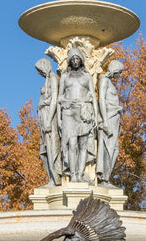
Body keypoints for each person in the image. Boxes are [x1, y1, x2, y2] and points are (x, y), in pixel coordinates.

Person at [57, 47, 96, 183]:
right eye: (72, 59)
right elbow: (59, 98)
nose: (75, 61)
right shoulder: (65, 76)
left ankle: (80, 174)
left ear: (81, 60)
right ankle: (73, 175)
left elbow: (93, 96)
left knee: (83, 145)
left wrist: (96, 115)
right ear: (69, 61)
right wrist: (59, 119)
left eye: (77, 59)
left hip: (84, 113)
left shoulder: (87, 76)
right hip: (69, 113)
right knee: (72, 144)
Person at [96, 59, 123, 185]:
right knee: (108, 147)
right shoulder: (104, 79)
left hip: (114, 118)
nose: (120, 74)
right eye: (120, 71)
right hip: (108, 118)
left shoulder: (109, 82)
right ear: (115, 69)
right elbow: (101, 99)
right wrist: (105, 121)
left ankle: (106, 177)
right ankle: (103, 179)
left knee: (114, 149)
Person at [35, 57, 62, 185]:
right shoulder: (47, 80)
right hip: (43, 116)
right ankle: (50, 177)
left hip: (50, 117)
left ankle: (55, 177)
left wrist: (49, 120)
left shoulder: (53, 79)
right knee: (44, 151)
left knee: (52, 147)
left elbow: (54, 99)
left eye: (40, 70)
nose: (38, 73)